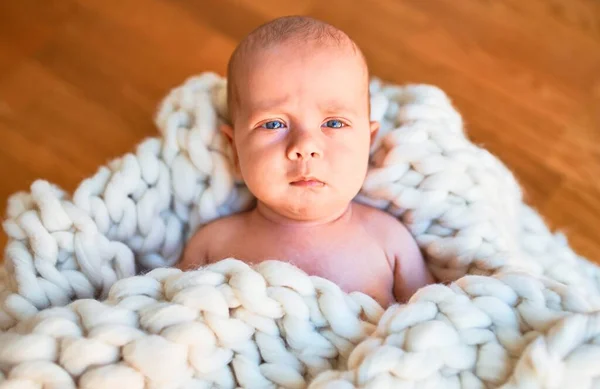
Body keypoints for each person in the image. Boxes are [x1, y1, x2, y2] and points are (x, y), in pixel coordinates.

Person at [177, 16, 434, 306]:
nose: (305, 146)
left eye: (334, 123)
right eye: (273, 124)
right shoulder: (213, 245)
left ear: (369, 142)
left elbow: (435, 321)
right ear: (235, 151)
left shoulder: (389, 241)